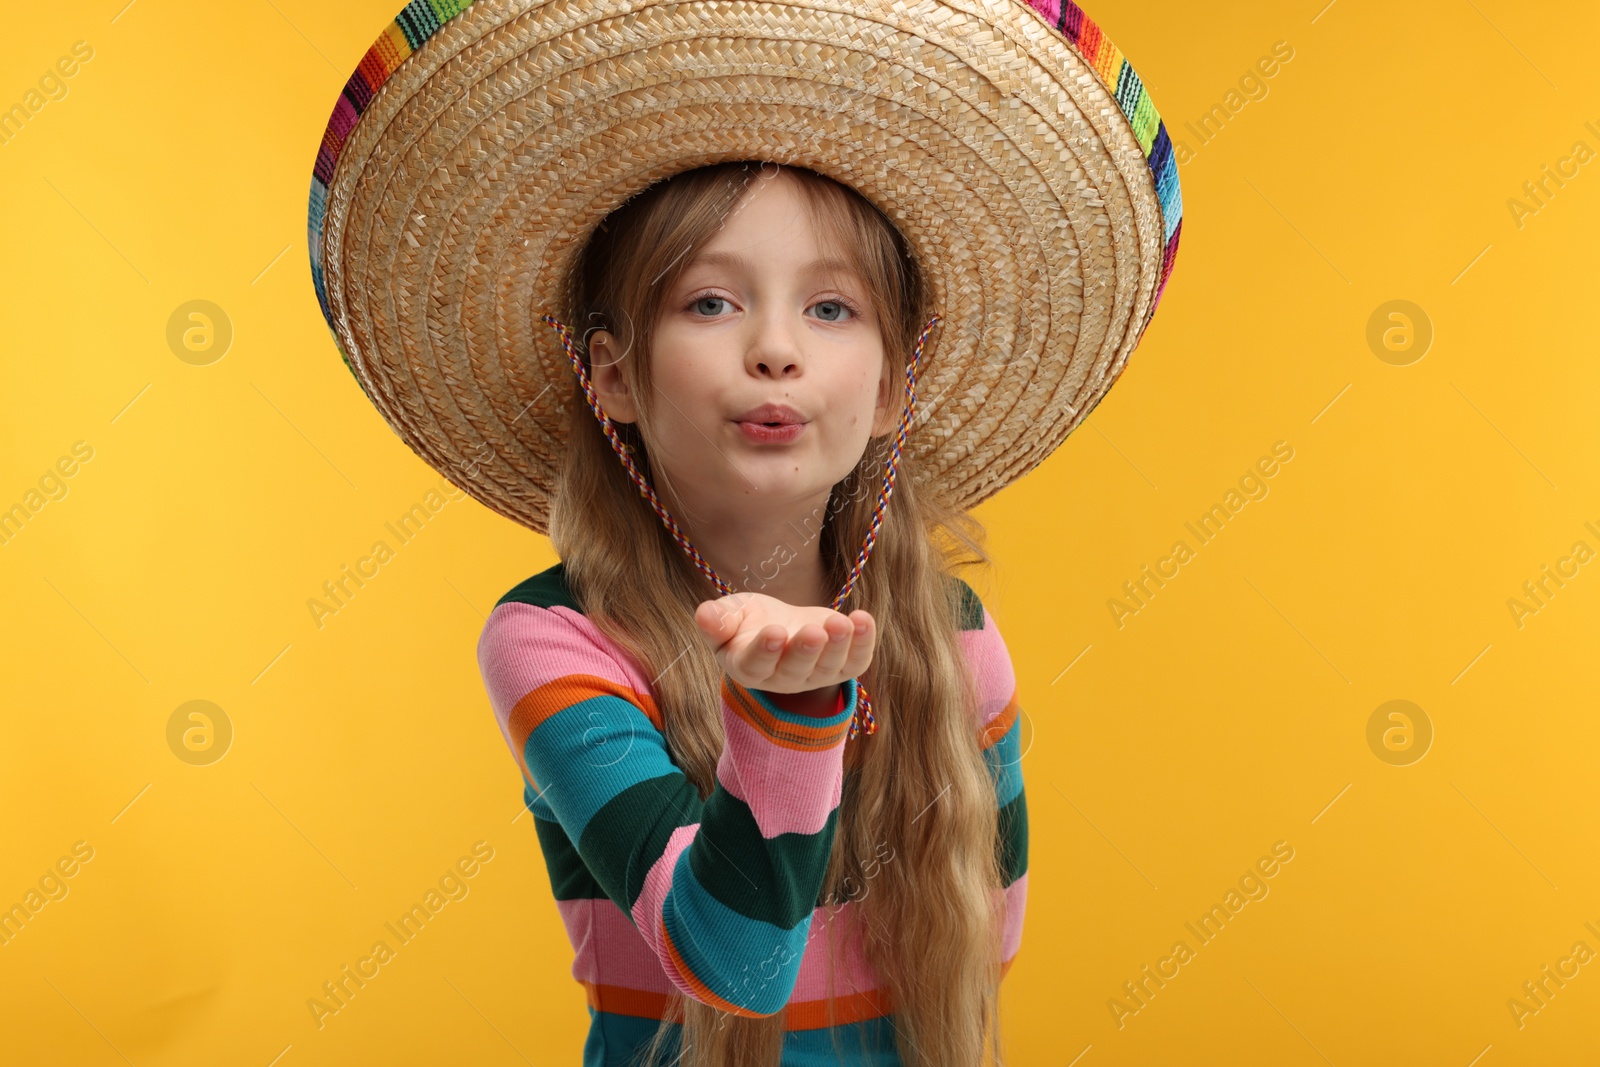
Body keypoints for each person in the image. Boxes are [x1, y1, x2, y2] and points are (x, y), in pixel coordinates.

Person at [306, 3, 1182, 1064]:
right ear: (613, 376)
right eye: (712, 302)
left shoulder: (954, 634)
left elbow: (983, 949)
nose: (775, 348)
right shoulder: (553, 640)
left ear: (895, 385)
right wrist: (790, 711)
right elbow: (731, 962)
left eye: (831, 309)